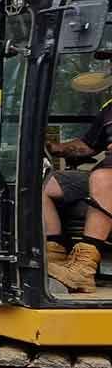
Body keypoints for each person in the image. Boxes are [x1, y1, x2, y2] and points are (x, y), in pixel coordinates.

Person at [43, 97, 112, 292]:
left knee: (102, 179)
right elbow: (88, 145)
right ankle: (54, 251)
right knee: (48, 184)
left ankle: (83, 269)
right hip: (104, 172)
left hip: (106, 177)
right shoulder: (109, 107)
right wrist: (56, 148)